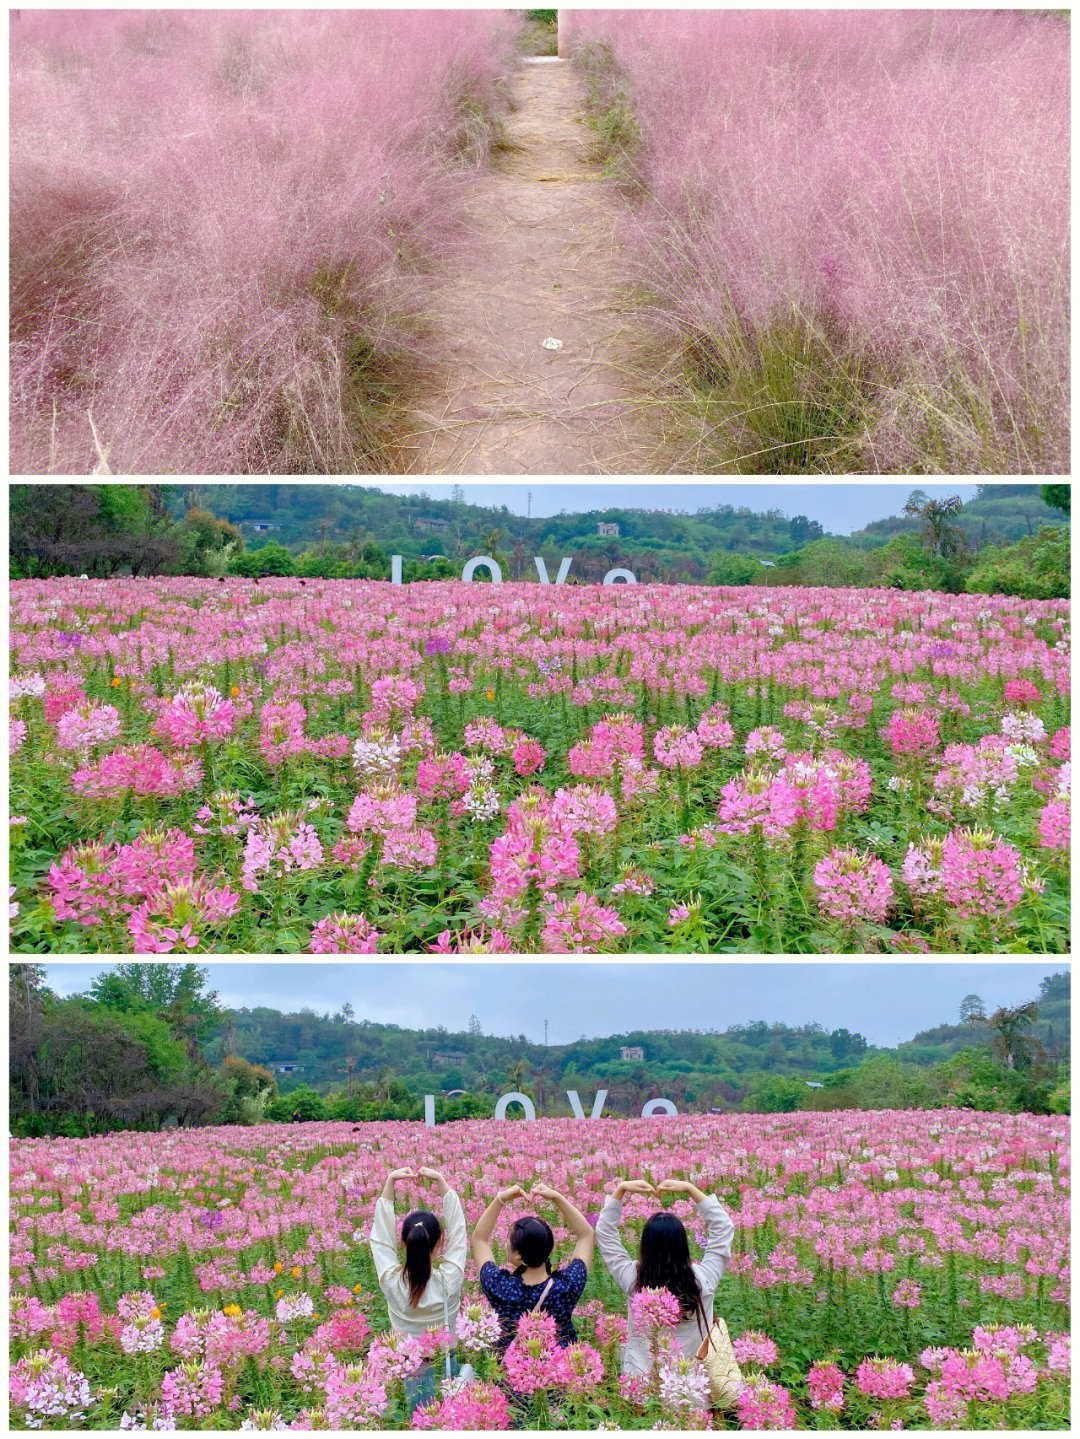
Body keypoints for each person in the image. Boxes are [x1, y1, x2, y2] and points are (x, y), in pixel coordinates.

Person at [595, 1176, 734, 1374]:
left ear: (645, 1246)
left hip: (641, 1387)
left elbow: (605, 1235)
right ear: (683, 1246)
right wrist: (691, 1189)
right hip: (692, 1388)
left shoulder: (633, 1279)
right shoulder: (703, 1280)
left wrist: (620, 1191)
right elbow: (723, 1229)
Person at [471, 1182, 593, 1350]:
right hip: (560, 1371)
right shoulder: (565, 1288)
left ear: (518, 1255)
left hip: (514, 1372)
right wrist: (557, 1198)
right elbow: (586, 1235)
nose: (505, 1244)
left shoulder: (502, 1288)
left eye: (508, 1241)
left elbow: (479, 1238)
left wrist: (500, 1199)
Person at [368, 1166, 467, 1334]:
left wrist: (390, 1181)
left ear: (402, 1243)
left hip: (402, 1359)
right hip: (445, 1359)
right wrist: (441, 1181)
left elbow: (381, 1242)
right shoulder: (450, 1282)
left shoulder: (392, 1283)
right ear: (439, 1243)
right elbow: (458, 1231)